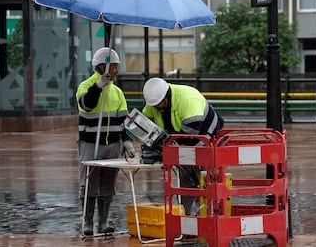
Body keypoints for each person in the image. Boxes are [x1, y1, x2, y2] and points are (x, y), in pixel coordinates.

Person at [76, 47, 137, 236]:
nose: (117, 71)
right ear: (103, 66)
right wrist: (98, 87)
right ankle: (88, 222)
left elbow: (123, 120)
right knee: (89, 181)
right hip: (90, 143)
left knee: (108, 184)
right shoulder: (86, 86)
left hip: (112, 145)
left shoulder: (117, 92)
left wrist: (126, 141)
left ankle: (103, 222)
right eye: (115, 66)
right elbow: (87, 105)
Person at [142, 77, 224, 215]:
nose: (157, 108)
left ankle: (208, 216)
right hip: (183, 139)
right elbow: (146, 120)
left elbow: (192, 133)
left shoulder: (187, 99)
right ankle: (186, 217)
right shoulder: (155, 102)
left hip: (206, 136)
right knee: (186, 179)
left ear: (166, 96)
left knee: (205, 179)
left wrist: (170, 148)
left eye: (159, 105)